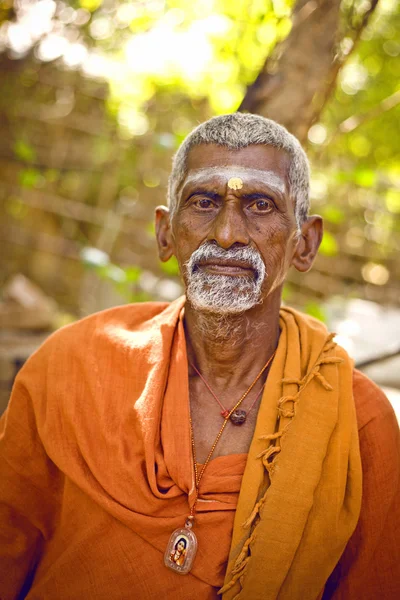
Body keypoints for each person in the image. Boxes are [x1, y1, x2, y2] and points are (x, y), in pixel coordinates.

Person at [0, 113, 399, 600]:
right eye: (204, 202)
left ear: (306, 243)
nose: (228, 232)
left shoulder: (358, 423)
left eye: (260, 204)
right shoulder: (70, 367)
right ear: (166, 233)